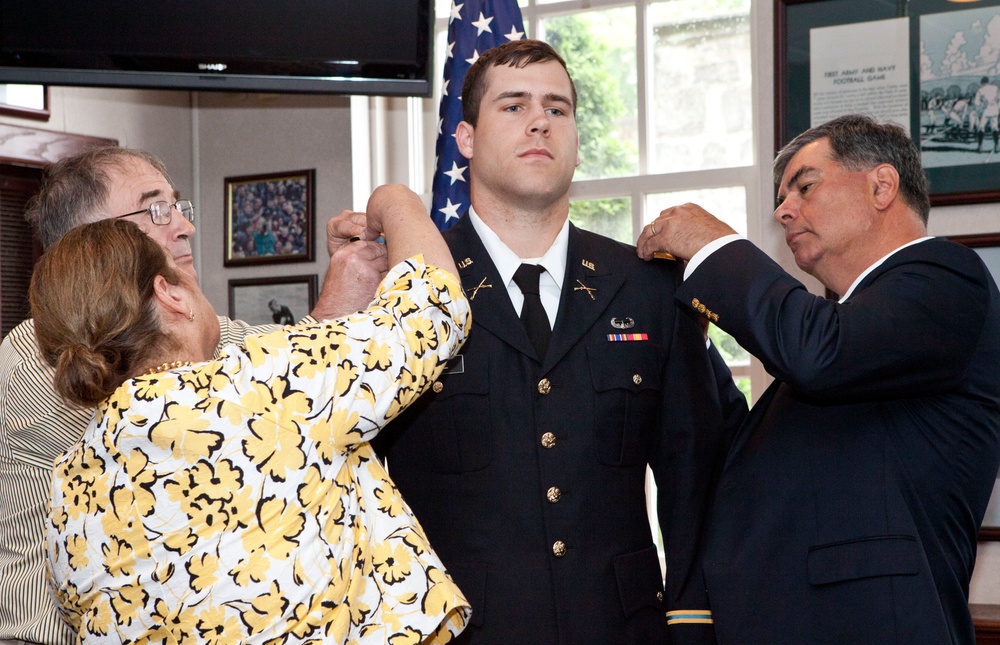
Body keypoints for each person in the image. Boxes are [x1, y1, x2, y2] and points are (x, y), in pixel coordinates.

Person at [370, 39, 744, 644]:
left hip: (624, 629)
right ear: (464, 140)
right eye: (513, 106)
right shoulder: (406, 292)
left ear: (575, 138)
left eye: (558, 108)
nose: (540, 120)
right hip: (460, 630)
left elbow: (690, 476)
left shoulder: (648, 286)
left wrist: (692, 621)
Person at [32, 183, 472, 641]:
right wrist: (395, 200)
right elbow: (432, 309)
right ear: (170, 295)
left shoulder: (71, 483)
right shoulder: (257, 385)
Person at [637, 113, 1000, 644]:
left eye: (804, 187)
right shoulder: (845, 337)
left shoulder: (949, 278)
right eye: (782, 199)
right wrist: (686, 337)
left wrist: (715, 247)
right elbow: (742, 453)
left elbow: (817, 353)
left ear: (881, 185)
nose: (783, 211)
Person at [0, 145, 385, 645]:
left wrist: (343, 290)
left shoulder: (189, 328)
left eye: (178, 207)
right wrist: (337, 306)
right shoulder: (41, 352)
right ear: (91, 241)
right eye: (156, 209)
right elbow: (262, 409)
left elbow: (287, 364)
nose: (184, 226)